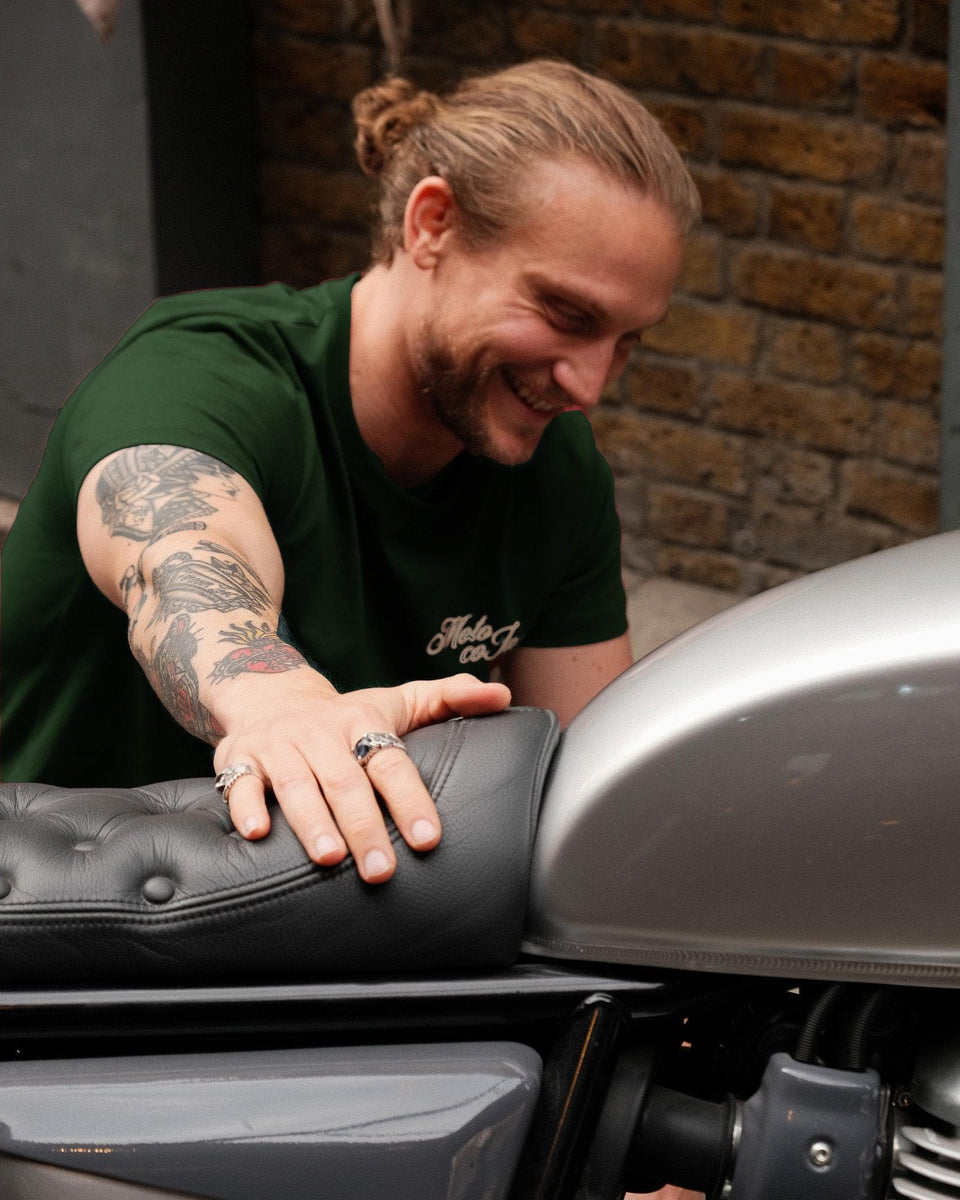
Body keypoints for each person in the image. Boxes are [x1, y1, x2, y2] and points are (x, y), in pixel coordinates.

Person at [1, 59, 698, 888]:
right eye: (565, 313)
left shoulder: (558, 470)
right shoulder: (200, 373)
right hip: (57, 910)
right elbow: (177, 552)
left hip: (338, 916)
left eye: (625, 342)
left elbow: (586, 789)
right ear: (432, 225)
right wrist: (279, 704)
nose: (588, 385)